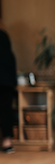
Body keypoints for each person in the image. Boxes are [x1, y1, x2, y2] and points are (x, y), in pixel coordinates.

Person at [0, 21, 17, 154]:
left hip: (5, 79)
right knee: (6, 110)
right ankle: (7, 142)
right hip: (7, 81)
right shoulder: (4, 36)